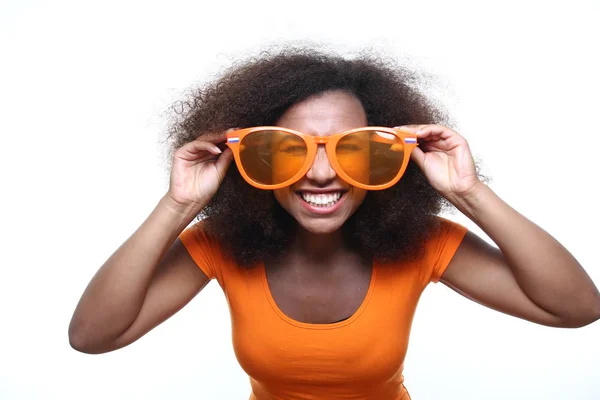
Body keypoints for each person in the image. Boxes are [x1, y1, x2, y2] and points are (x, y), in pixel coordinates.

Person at [68, 48, 600, 400]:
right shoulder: (219, 245)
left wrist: (467, 192)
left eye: (352, 149)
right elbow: (92, 337)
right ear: (254, 158)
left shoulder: (424, 244)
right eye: (288, 150)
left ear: (383, 157)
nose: (321, 174)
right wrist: (177, 206)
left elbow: (577, 308)